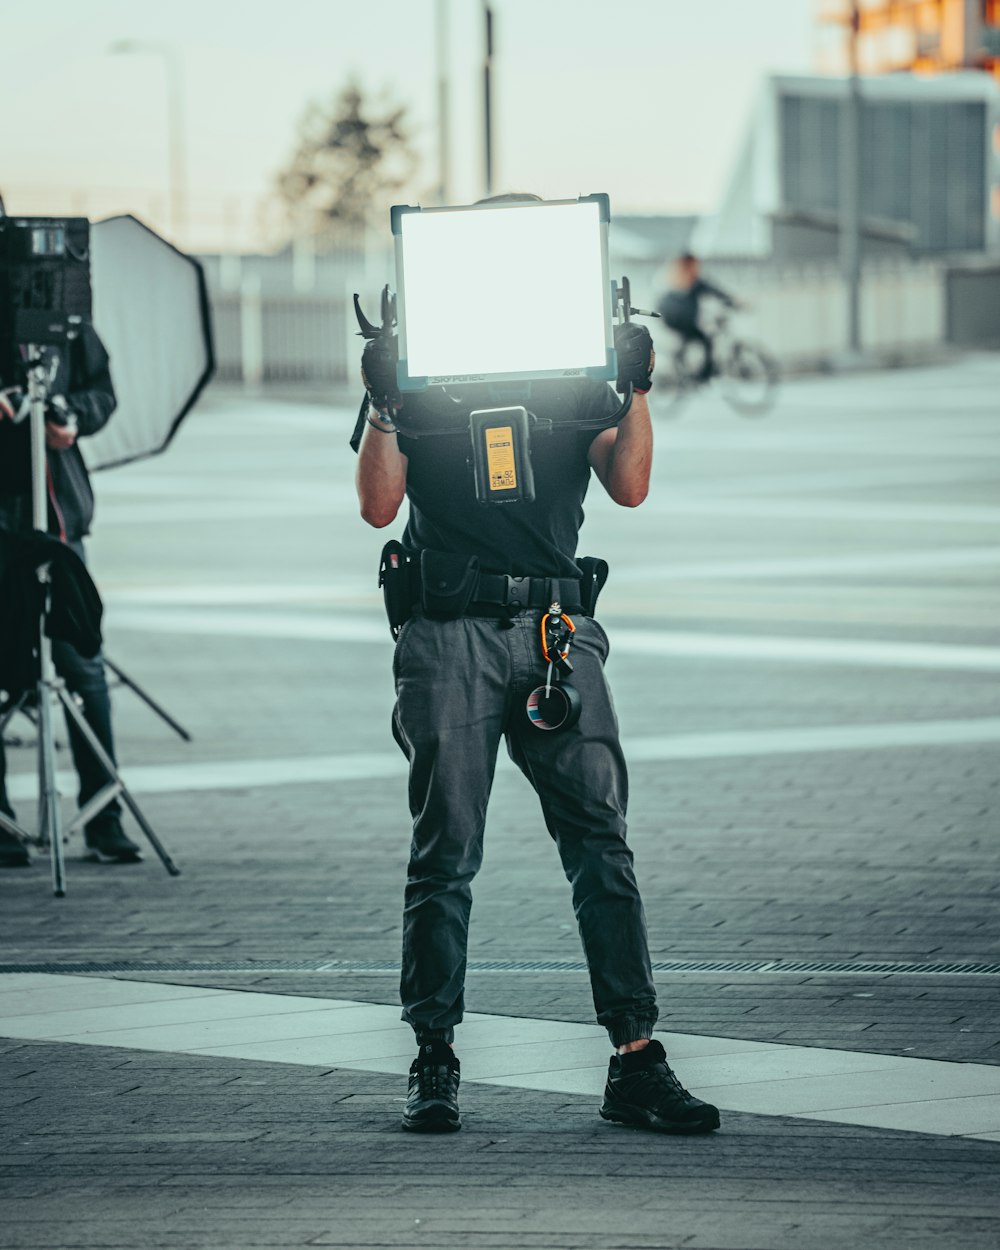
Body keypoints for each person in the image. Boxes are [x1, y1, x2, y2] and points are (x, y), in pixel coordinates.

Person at [354, 194, 720, 1136]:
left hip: (557, 633)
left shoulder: (572, 381)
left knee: (601, 845)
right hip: (450, 632)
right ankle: (433, 1058)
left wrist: (637, 386)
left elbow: (629, 486)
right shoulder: (421, 379)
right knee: (446, 855)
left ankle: (635, 1061)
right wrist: (388, 403)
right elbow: (377, 504)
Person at [0, 323, 141, 867]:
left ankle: (104, 816)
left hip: (59, 526)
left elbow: (102, 391)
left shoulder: (61, 315)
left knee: (82, 667)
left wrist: (69, 415)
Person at [657, 252, 740, 382]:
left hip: (672, 318)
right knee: (704, 339)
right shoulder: (692, 280)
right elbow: (714, 290)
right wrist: (734, 302)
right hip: (681, 319)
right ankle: (702, 376)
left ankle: (682, 364)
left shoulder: (673, 278)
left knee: (693, 339)